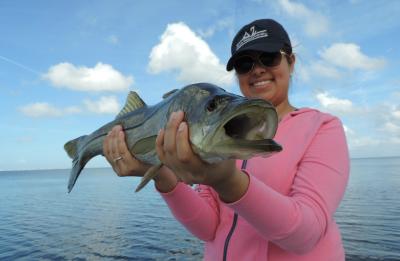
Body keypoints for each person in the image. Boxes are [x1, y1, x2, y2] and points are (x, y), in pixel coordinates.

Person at [103, 19, 350, 261]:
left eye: (269, 57)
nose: (257, 69)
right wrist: (161, 175)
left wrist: (227, 180)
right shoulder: (216, 138)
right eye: (244, 63)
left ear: (291, 61)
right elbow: (208, 229)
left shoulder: (324, 127)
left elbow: (306, 235)